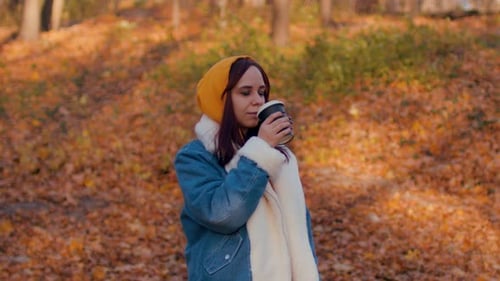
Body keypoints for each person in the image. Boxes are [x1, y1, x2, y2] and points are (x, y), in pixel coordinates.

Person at [174, 55, 320, 281]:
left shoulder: (280, 159)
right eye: (245, 92)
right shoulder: (195, 157)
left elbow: (301, 236)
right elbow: (223, 214)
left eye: (262, 92)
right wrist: (260, 151)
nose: (258, 101)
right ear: (219, 99)